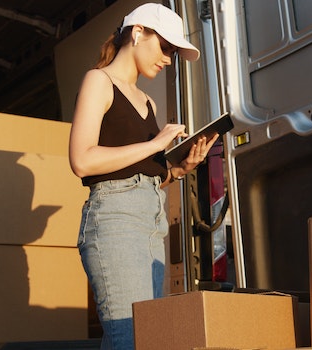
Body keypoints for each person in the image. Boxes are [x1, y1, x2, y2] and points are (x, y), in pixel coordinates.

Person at [68, 3, 218, 349]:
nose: (168, 59)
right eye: (166, 48)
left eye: (173, 53)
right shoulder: (99, 80)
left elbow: (140, 173)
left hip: (150, 221)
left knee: (146, 338)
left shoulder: (148, 103)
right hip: (114, 219)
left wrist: (178, 169)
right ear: (138, 33)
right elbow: (82, 159)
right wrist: (160, 142)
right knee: (131, 338)